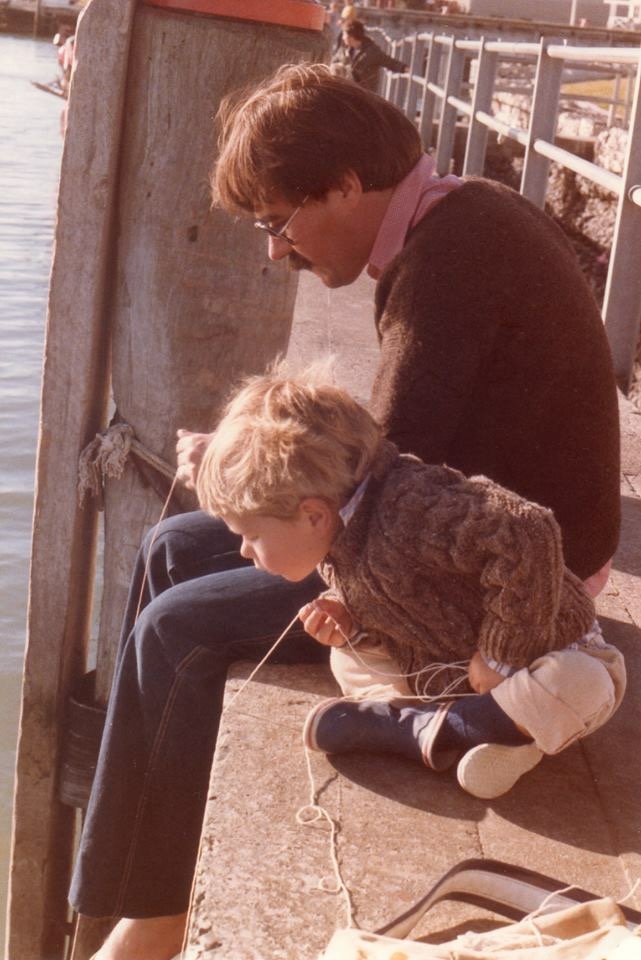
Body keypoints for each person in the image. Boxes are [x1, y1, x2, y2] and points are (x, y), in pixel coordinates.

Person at [70, 64, 621, 960]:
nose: (274, 251)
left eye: (278, 221)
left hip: (490, 573)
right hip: (439, 522)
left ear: (343, 186)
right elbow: (384, 462)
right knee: (173, 543)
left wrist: (242, 459)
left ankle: (155, 909)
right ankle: (121, 868)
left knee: (178, 628)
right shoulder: (455, 221)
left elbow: (378, 469)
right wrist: (245, 460)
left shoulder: (451, 259)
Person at [196, 367, 625, 796]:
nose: (244, 552)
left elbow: (528, 532)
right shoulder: (335, 541)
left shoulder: (411, 508)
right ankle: (471, 729)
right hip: (451, 677)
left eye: (251, 536)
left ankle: (425, 728)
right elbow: (398, 600)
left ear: (313, 515)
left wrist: (502, 654)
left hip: (544, 651)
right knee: (346, 655)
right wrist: (350, 619)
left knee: (588, 682)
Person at [332, 19, 407, 91]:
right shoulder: (345, 50)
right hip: (348, 91)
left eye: (344, 35)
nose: (343, 38)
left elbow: (389, 62)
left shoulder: (372, 51)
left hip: (365, 95)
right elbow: (333, 61)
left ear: (350, 36)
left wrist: (404, 68)